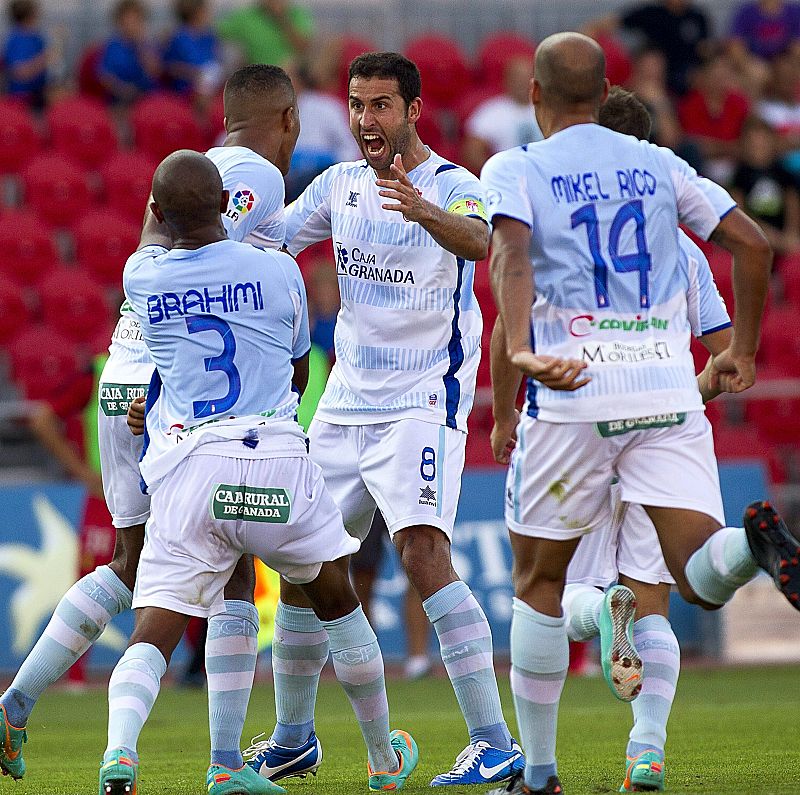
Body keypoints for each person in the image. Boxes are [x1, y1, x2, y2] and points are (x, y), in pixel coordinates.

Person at [481, 32, 794, 795]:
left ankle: (542, 775)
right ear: (604, 90)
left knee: (540, 585)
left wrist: (521, 351)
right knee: (693, 571)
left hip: (574, 391)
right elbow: (751, 243)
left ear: (535, 94)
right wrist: (743, 353)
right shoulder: (660, 165)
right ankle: (752, 550)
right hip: (666, 391)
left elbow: (511, 259)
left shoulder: (517, 166)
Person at [0, 63, 299, 782]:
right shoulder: (256, 176)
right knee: (231, 561)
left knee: (129, 565)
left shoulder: (180, 174)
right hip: (175, 381)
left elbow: (154, 256)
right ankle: (226, 760)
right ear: (286, 119)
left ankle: (14, 703)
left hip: (124, 369)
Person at [98, 149, 418, 795]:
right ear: (226, 204)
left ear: (157, 212)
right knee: (336, 598)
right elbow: (300, 371)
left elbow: (156, 243)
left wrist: (162, 213)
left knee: (155, 624)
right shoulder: (279, 272)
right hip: (273, 458)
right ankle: (383, 759)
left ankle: (122, 755)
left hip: (190, 469)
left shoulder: (143, 276)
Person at [245, 52, 525, 789]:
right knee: (303, 562)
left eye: (381, 106)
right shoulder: (338, 185)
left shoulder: (455, 186)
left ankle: (494, 741)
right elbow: (270, 237)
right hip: (344, 402)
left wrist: (422, 209)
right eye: (358, 105)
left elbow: (478, 241)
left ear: (412, 110)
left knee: (422, 550)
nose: (367, 120)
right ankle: (293, 738)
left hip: (422, 399)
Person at [558, 86, 735, 794]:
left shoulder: (559, 223)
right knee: (654, 595)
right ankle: (647, 751)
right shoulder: (685, 249)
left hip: (577, 423)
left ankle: (599, 613)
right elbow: (725, 357)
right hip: (662, 426)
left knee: (554, 591)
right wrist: (681, 393)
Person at [585, 0, 710, 95]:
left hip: (687, 80)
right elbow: (607, 23)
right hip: (654, 78)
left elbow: (706, 51)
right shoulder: (652, 14)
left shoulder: (697, 18)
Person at [731, 116, 800, 257]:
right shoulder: (740, 175)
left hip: (785, 237)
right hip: (755, 238)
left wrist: (791, 233)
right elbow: (739, 213)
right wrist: (771, 237)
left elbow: (792, 203)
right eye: (753, 144)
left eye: (763, 142)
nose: (758, 148)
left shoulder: (782, 172)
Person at [462, 55, 540, 175]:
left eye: (527, 78)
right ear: (506, 80)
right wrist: (497, 174)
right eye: (518, 78)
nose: (523, 83)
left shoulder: (548, 108)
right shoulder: (490, 112)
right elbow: (472, 153)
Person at [97, 0, 160, 105]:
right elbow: (104, 76)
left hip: (148, 97)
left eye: (135, 21)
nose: (130, 25)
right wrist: (121, 89)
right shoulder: (112, 46)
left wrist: (140, 45)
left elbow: (155, 72)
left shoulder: (148, 44)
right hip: (120, 99)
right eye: (127, 21)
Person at [218, 0, 312, 69]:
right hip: (258, 77)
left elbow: (304, 48)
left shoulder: (297, 14)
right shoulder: (246, 17)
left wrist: (281, 19)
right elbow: (216, 33)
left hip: (290, 78)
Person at [163, 0, 223, 103]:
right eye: (204, 11)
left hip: (211, 85)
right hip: (187, 89)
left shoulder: (209, 36)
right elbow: (169, 67)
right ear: (196, 13)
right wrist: (194, 74)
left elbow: (216, 60)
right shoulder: (178, 37)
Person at [2, 0, 49, 108]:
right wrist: (44, 58)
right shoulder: (16, 39)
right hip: (21, 97)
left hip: (39, 94)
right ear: (30, 15)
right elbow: (20, 72)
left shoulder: (37, 37)